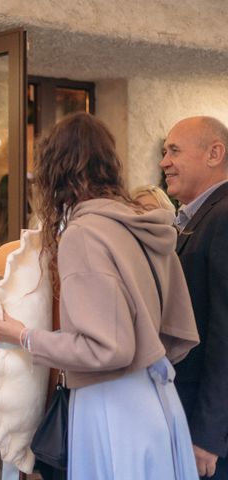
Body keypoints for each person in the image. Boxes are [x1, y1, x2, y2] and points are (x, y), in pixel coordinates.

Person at [0, 112, 200, 479]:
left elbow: (107, 348)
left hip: (110, 409)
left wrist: (23, 336)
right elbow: (179, 331)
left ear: (55, 169)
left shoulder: (84, 234)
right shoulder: (141, 225)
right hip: (158, 400)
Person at [161, 116, 228, 479]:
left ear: (214, 153)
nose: (164, 162)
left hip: (207, 435)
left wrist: (208, 434)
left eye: (174, 151)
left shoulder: (224, 216)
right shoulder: (196, 217)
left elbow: (225, 333)